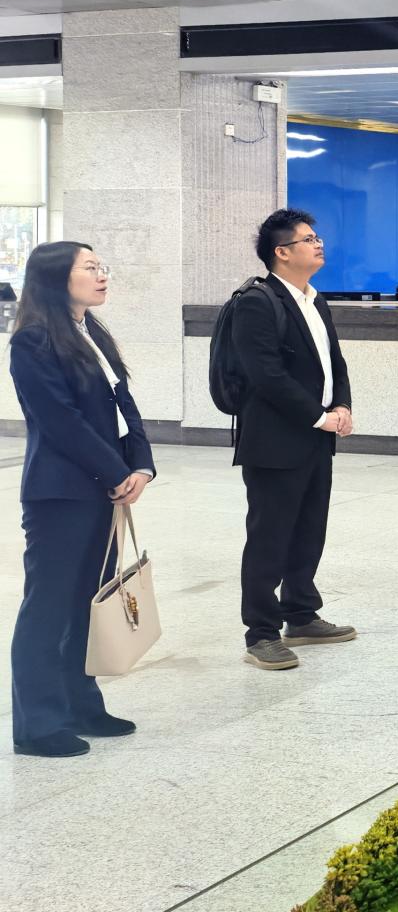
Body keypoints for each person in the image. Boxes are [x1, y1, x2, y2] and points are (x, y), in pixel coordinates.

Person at [8, 242, 153, 757]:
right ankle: (37, 724)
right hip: (61, 494)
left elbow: (123, 405)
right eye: (90, 268)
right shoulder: (32, 341)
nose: (101, 275)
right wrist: (114, 472)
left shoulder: (91, 332)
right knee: (49, 607)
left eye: (101, 266)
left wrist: (141, 465)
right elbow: (60, 420)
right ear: (55, 279)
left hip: (103, 488)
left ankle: (81, 705)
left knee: (88, 605)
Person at [233, 209, 355, 671]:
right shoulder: (257, 302)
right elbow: (265, 375)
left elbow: (334, 362)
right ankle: (261, 633)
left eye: (316, 237)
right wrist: (319, 416)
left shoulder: (314, 300)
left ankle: (301, 614)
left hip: (316, 437)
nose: (318, 243)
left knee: (308, 529)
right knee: (269, 537)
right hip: (273, 441)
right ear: (282, 253)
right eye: (308, 239)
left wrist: (341, 405)